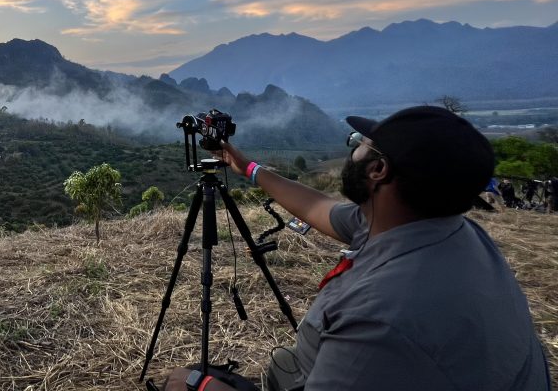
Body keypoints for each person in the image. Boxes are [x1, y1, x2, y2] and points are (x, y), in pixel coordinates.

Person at [193, 106, 550, 390]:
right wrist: (247, 168)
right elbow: (317, 208)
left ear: (378, 169)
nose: (353, 149)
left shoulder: (381, 317)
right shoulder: (444, 228)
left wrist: (203, 385)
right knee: (285, 361)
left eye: (358, 143)